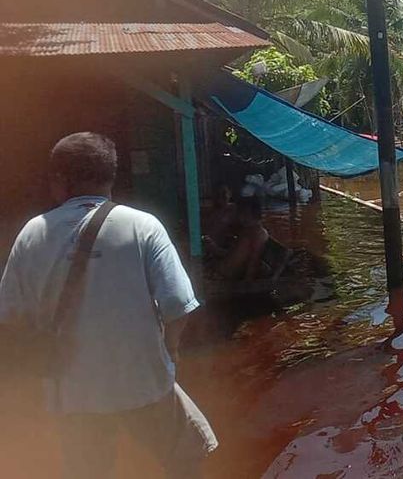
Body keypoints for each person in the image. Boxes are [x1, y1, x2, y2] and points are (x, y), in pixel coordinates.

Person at [0, 132, 217, 478]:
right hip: (144, 382)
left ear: (59, 180)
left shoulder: (32, 233)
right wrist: (169, 350)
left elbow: (10, 316)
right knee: (186, 456)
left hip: (70, 393)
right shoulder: (143, 226)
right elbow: (178, 303)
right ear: (110, 177)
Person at [204, 196, 271, 281]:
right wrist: (215, 249)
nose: (238, 216)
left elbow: (253, 262)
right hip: (220, 270)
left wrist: (246, 286)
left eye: (241, 213)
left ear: (248, 214)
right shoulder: (248, 230)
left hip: (222, 277)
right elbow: (235, 254)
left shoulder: (257, 234)